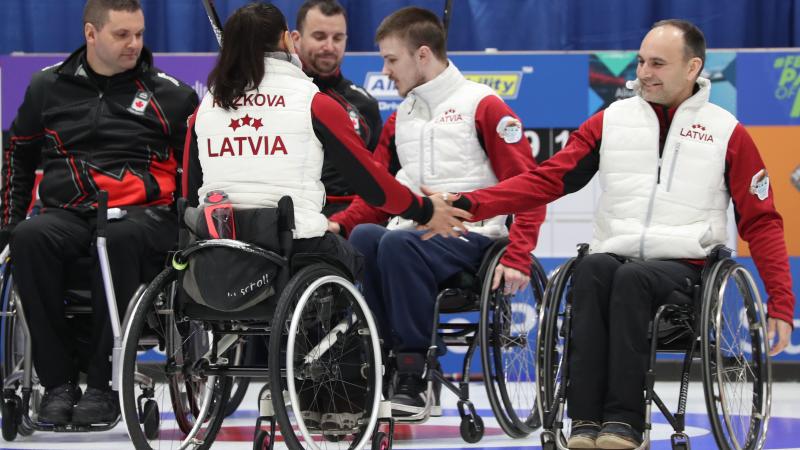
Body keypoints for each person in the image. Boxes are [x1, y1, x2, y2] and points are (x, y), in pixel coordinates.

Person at [441, 19, 796, 449]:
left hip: (686, 269)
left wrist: (780, 301)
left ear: (692, 68)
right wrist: (473, 203)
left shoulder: (727, 132)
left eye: (658, 63)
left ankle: (625, 424)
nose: (644, 72)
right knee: (591, 269)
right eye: (641, 61)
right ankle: (586, 421)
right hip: (616, 258)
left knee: (631, 279)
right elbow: (547, 180)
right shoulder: (610, 121)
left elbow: (761, 221)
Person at [327, 7, 546, 417]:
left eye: (392, 59)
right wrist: (339, 223)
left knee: (395, 244)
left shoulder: (485, 105)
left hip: (477, 240)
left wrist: (518, 254)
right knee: (365, 238)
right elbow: (379, 192)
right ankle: (386, 356)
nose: (386, 70)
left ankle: (414, 369)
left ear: (422, 55)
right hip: (416, 237)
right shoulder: (401, 118)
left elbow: (531, 188)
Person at [0, 0, 198, 425]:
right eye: (122, 35)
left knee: (116, 237)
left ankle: (105, 385)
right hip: (69, 212)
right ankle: (56, 384)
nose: (134, 45)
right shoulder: (46, 87)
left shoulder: (171, 95)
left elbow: (196, 170)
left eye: (139, 34)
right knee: (29, 238)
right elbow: (18, 151)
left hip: (141, 216)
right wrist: (12, 220)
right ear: (91, 34)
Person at [291, 0, 384, 216]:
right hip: (291, 214)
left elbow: (379, 176)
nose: (330, 47)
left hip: (349, 218)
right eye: (320, 36)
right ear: (296, 39)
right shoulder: (278, 97)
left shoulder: (364, 104)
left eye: (338, 38)